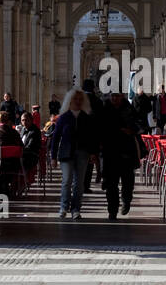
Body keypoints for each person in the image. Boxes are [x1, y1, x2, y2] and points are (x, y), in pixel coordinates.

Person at [99, 90, 141, 219]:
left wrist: (130, 130)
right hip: (109, 151)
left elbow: (138, 125)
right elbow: (98, 127)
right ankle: (112, 210)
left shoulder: (129, 109)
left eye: (117, 96)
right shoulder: (104, 109)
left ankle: (126, 200)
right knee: (111, 183)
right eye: (112, 96)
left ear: (121, 96)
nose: (114, 98)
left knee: (127, 181)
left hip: (126, 151)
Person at [52, 88, 89, 219]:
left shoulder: (86, 117)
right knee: (66, 181)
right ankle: (63, 206)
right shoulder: (63, 118)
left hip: (83, 153)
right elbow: (55, 138)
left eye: (80, 99)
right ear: (70, 100)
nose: (78, 102)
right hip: (66, 153)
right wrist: (53, 157)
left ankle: (76, 209)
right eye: (75, 99)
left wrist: (93, 153)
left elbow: (91, 137)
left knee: (79, 183)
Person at [18, 111, 42, 175]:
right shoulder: (23, 129)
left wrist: (19, 151)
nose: (24, 122)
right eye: (22, 120)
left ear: (31, 120)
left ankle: (22, 182)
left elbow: (30, 147)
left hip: (31, 157)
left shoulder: (35, 131)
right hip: (23, 154)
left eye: (26, 120)